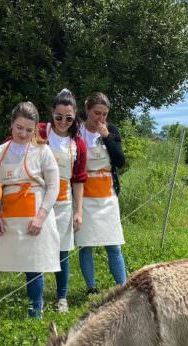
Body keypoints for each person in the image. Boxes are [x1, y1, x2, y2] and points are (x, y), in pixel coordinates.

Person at [0, 102, 60, 318]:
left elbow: (54, 186)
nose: (23, 133)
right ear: (11, 124)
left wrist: (41, 217)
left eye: (29, 130)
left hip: (34, 215)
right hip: (8, 215)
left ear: (35, 128)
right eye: (19, 127)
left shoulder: (43, 151)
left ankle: (35, 310)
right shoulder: (0, 151)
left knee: (34, 263)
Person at [39, 89, 87, 313]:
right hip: (38, 200)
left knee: (62, 251)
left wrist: (78, 211)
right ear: (52, 113)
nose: (62, 122)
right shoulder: (40, 131)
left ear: (75, 116)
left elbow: (78, 180)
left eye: (68, 118)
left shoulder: (78, 143)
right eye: (58, 117)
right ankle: (35, 297)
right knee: (37, 247)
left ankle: (62, 298)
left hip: (64, 202)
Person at [75, 92, 127, 294]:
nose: (101, 118)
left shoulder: (111, 131)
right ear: (87, 110)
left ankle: (123, 287)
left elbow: (120, 161)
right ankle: (91, 287)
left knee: (113, 244)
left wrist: (107, 137)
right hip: (84, 196)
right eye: (97, 113)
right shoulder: (76, 132)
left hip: (107, 195)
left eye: (105, 114)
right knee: (86, 245)